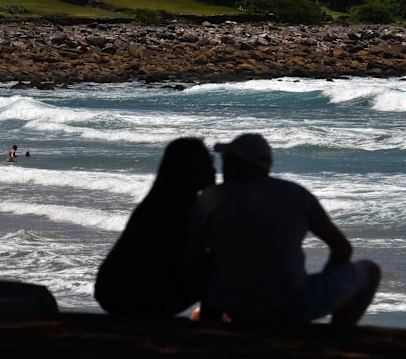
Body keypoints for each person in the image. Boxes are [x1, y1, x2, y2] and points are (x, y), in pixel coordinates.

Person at [190, 133, 381, 325]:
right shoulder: (295, 193)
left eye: (228, 159)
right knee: (370, 271)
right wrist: (327, 278)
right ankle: (337, 336)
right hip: (293, 305)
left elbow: (191, 254)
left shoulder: (210, 199)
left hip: (233, 305)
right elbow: (342, 248)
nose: (225, 165)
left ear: (238, 163)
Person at [94, 137, 216, 316]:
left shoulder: (155, 201)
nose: (213, 170)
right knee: (216, 263)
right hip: (138, 297)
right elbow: (188, 262)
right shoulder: (186, 208)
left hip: (109, 290)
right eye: (208, 164)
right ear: (192, 170)